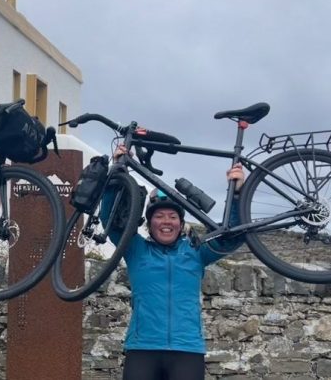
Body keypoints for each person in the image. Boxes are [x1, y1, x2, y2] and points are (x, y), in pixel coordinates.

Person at [102, 145, 246, 380]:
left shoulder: (196, 251)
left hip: (186, 350)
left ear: (181, 223)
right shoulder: (136, 249)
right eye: (159, 216)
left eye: (172, 216)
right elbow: (110, 219)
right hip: (142, 349)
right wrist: (117, 170)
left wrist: (239, 193)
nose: (166, 221)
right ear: (149, 223)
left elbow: (231, 237)